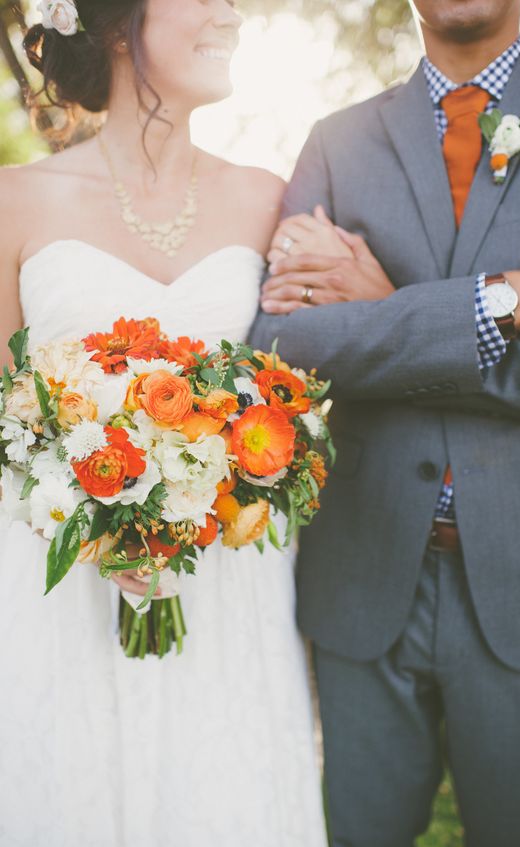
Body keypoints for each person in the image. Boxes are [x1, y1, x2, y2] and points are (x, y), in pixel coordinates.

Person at [0, 2, 328, 845]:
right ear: (116, 25)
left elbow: (304, 383)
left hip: (229, 590)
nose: (232, 14)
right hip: (62, 585)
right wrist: (87, 507)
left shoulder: (269, 197)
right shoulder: (14, 201)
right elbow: (5, 415)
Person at [251, 1, 520, 844]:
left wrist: (387, 309)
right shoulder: (337, 140)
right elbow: (283, 340)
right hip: (361, 576)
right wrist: (505, 303)